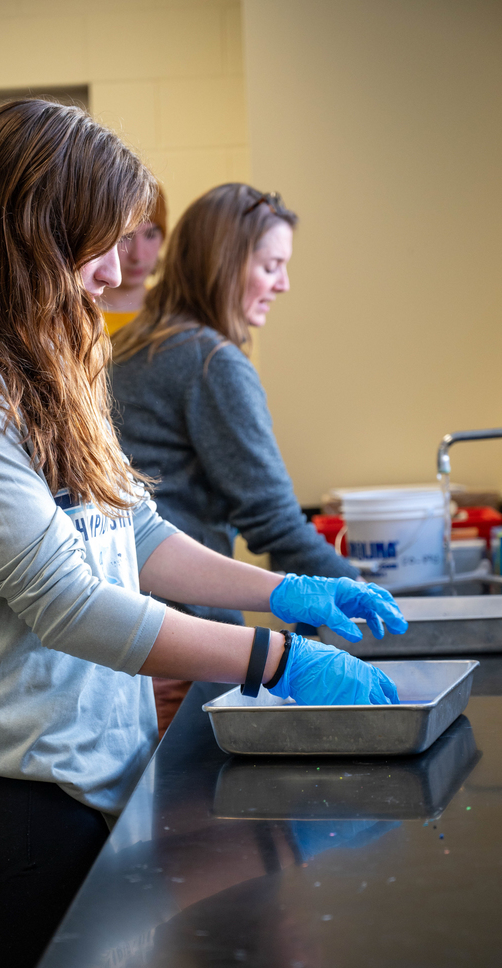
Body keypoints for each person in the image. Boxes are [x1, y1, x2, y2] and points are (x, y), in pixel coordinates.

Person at [0, 98, 406, 968]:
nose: (117, 270)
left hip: (86, 759)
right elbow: (69, 606)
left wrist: (284, 587)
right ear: (32, 229)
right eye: (99, 243)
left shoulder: (48, 347)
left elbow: (136, 535)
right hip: (14, 785)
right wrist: (275, 658)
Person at [110, 184, 360, 633]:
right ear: (225, 265)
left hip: (129, 621)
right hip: (181, 630)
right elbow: (276, 525)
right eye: (271, 267)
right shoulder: (209, 362)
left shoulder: (133, 342)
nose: (283, 284)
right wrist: (368, 598)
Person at [98, 185, 167, 336]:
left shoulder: (171, 315)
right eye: (125, 237)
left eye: (150, 235)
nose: (138, 256)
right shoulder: (71, 317)